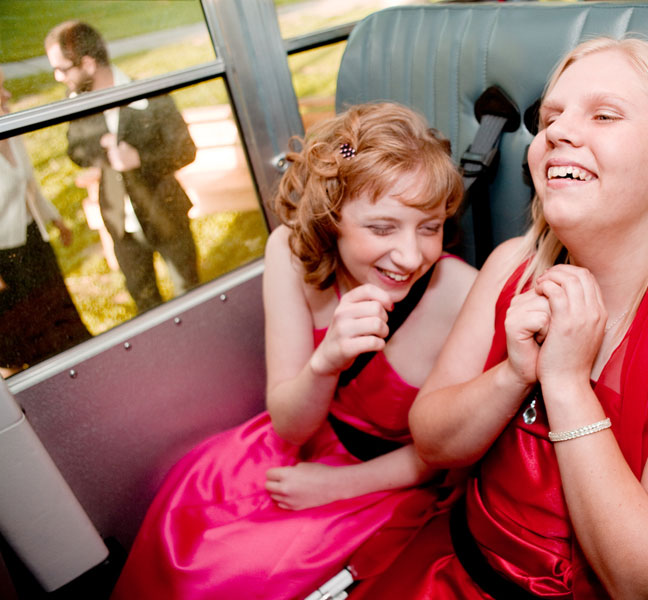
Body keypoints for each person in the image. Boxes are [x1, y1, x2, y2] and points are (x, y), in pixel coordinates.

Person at [351, 36, 648, 599]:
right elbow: (432, 442)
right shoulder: (509, 266)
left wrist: (568, 383)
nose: (557, 133)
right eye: (550, 118)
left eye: (604, 115)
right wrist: (512, 375)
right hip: (453, 568)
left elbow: (644, 582)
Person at [110, 102, 477, 599]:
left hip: (388, 480)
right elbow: (290, 425)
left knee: (232, 578)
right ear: (332, 217)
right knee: (185, 505)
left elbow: (451, 450)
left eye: (429, 227)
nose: (411, 256)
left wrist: (336, 486)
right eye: (382, 228)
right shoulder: (289, 252)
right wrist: (327, 361)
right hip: (299, 439)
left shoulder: (462, 294)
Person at [44, 20, 199, 313]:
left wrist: (140, 160)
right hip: (120, 222)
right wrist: (101, 148)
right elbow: (75, 151)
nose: (57, 77)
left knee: (188, 292)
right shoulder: (76, 102)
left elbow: (185, 151)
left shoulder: (151, 95)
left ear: (88, 64)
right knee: (144, 301)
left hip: (166, 214)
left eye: (62, 69)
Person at [0, 66, 91, 376]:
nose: (7, 94)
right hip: (5, 259)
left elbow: (31, 188)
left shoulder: (10, 127)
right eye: (0, 90)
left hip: (33, 241)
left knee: (59, 320)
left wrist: (56, 220)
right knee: (22, 338)